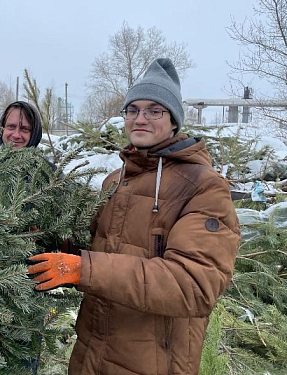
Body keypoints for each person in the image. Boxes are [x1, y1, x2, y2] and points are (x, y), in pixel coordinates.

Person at [26, 58, 240, 374]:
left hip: (151, 363)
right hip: (91, 352)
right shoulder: (117, 179)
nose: (140, 119)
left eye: (155, 110)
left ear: (173, 121)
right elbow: (98, 252)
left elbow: (192, 285)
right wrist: (48, 241)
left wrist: (83, 268)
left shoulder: (204, 187)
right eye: (133, 110)